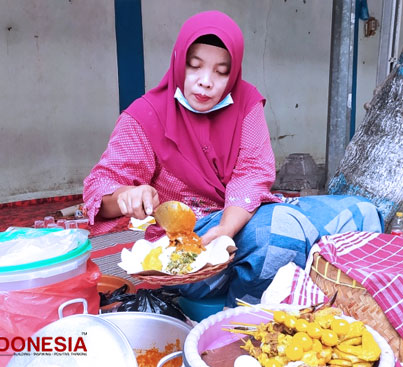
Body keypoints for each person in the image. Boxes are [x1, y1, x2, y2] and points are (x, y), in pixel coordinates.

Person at [83, 10, 382, 306]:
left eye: (220, 71)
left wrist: (226, 230)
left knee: (362, 212)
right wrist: (124, 195)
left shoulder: (245, 103)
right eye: (194, 66)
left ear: (234, 72)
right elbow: (101, 186)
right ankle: (242, 321)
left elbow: (252, 175)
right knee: (281, 230)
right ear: (178, 62)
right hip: (193, 246)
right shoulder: (145, 116)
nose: (205, 82)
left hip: (240, 218)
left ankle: (288, 279)